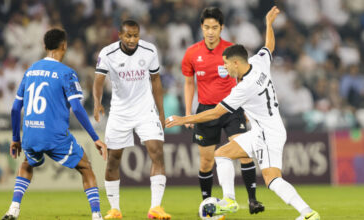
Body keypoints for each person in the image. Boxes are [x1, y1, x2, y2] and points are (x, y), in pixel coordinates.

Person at [166, 6, 320, 220]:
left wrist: (184, 118)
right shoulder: (259, 63)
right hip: (267, 129)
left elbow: (215, 113)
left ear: (236, 63)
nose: (225, 69)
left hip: (267, 134)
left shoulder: (243, 88)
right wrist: (268, 24)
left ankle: (307, 213)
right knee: (222, 154)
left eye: (226, 64)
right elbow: (269, 46)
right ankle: (231, 200)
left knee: (272, 180)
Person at [2, 28, 107, 220]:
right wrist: (95, 138)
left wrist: (16, 139)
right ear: (64, 46)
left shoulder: (30, 70)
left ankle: (13, 209)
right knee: (85, 167)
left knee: (27, 164)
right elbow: (76, 108)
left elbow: (15, 108)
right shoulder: (67, 73)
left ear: (44, 46)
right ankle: (97, 215)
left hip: (31, 133)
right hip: (54, 135)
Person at [181, 6, 264, 214]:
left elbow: (243, 79)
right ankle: (207, 204)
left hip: (231, 108)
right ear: (201, 27)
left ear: (222, 28)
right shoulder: (192, 53)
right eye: (207, 27)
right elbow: (189, 84)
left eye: (215, 27)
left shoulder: (232, 51)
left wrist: (246, 107)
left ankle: (253, 200)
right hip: (206, 110)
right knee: (206, 161)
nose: (210, 32)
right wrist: (188, 112)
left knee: (244, 153)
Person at [93, 20, 171, 220]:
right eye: (128, 35)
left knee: (157, 153)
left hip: (146, 111)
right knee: (113, 160)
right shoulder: (108, 53)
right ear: (120, 35)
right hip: (120, 112)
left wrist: (160, 111)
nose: (132, 39)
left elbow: (155, 80)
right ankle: (115, 210)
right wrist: (97, 102)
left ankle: (155, 207)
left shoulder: (149, 50)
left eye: (135, 35)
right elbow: (98, 81)